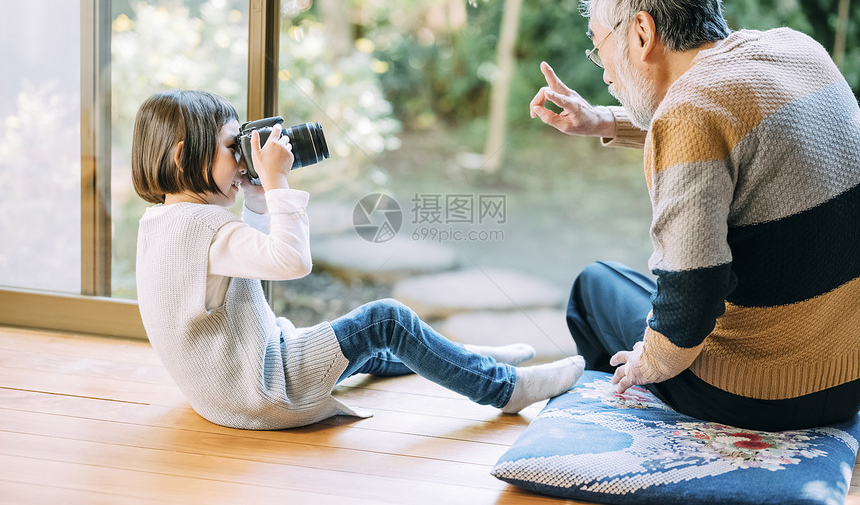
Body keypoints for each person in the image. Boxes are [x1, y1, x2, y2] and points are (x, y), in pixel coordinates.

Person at [529, 0, 860, 431]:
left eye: (599, 49)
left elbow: (691, 298)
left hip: (759, 392)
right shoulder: (797, 51)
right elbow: (732, 128)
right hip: (847, 377)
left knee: (594, 285)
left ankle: (620, 438)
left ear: (641, 32)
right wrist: (604, 121)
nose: (607, 75)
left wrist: (645, 364)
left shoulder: (691, 113)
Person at [131, 90, 584, 430]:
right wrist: (276, 183)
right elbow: (290, 261)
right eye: (233, 148)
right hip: (261, 391)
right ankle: (505, 389)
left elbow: (255, 258)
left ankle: (470, 360)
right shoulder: (207, 229)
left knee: (369, 350)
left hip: (223, 392)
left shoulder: (167, 224)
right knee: (384, 321)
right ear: (181, 154)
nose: (244, 160)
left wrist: (256, 200)